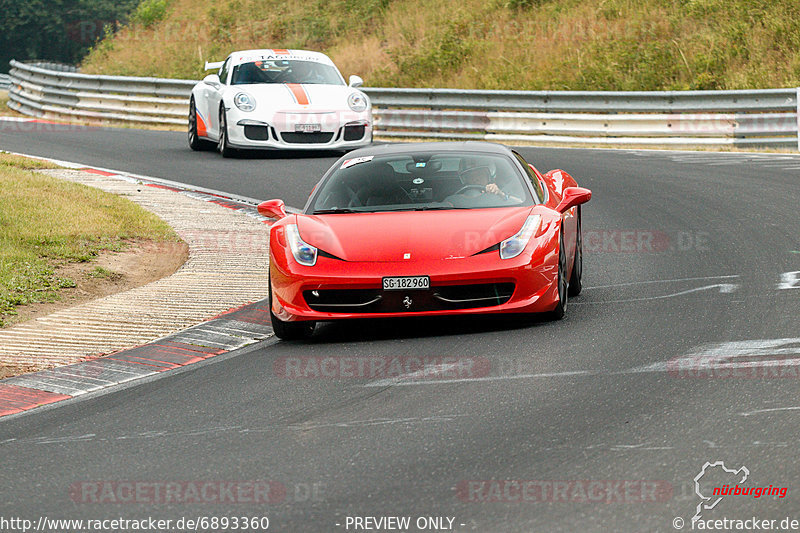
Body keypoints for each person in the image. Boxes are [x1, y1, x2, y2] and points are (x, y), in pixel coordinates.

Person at [444, 159, 523, 207]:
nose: (475, 179)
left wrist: (500, 194)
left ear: (489, 175)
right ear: (464, 179)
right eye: (470, 176)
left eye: (479, 174)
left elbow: (520, 203)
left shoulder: (500, 193)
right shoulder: (454, 200)